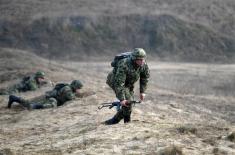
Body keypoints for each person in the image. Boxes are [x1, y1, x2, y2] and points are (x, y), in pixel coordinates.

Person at [104, 48, 150, 125]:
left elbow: (144, 78)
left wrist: (142, 91)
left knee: (129, 103)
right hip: (115, 81)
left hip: (128, 84)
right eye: (140, 60)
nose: (142, 61)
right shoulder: (124, 64)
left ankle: (112, 121)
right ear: (134, 59)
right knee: (127, 102)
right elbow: (119, 83)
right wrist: (122, 99)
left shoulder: (143, 65)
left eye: (143, 59)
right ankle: (127, 123)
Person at [7, 80, 83, 110]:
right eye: (78, 88)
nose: (78, 90)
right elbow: (71, 98)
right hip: (52, 99)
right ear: (75, 86)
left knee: (27, 102)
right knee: (52, 105)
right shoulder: (68, 89)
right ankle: (36, 106)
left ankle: (14, 98)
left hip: (50, 97)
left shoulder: (67, 87)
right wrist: (77, 95)